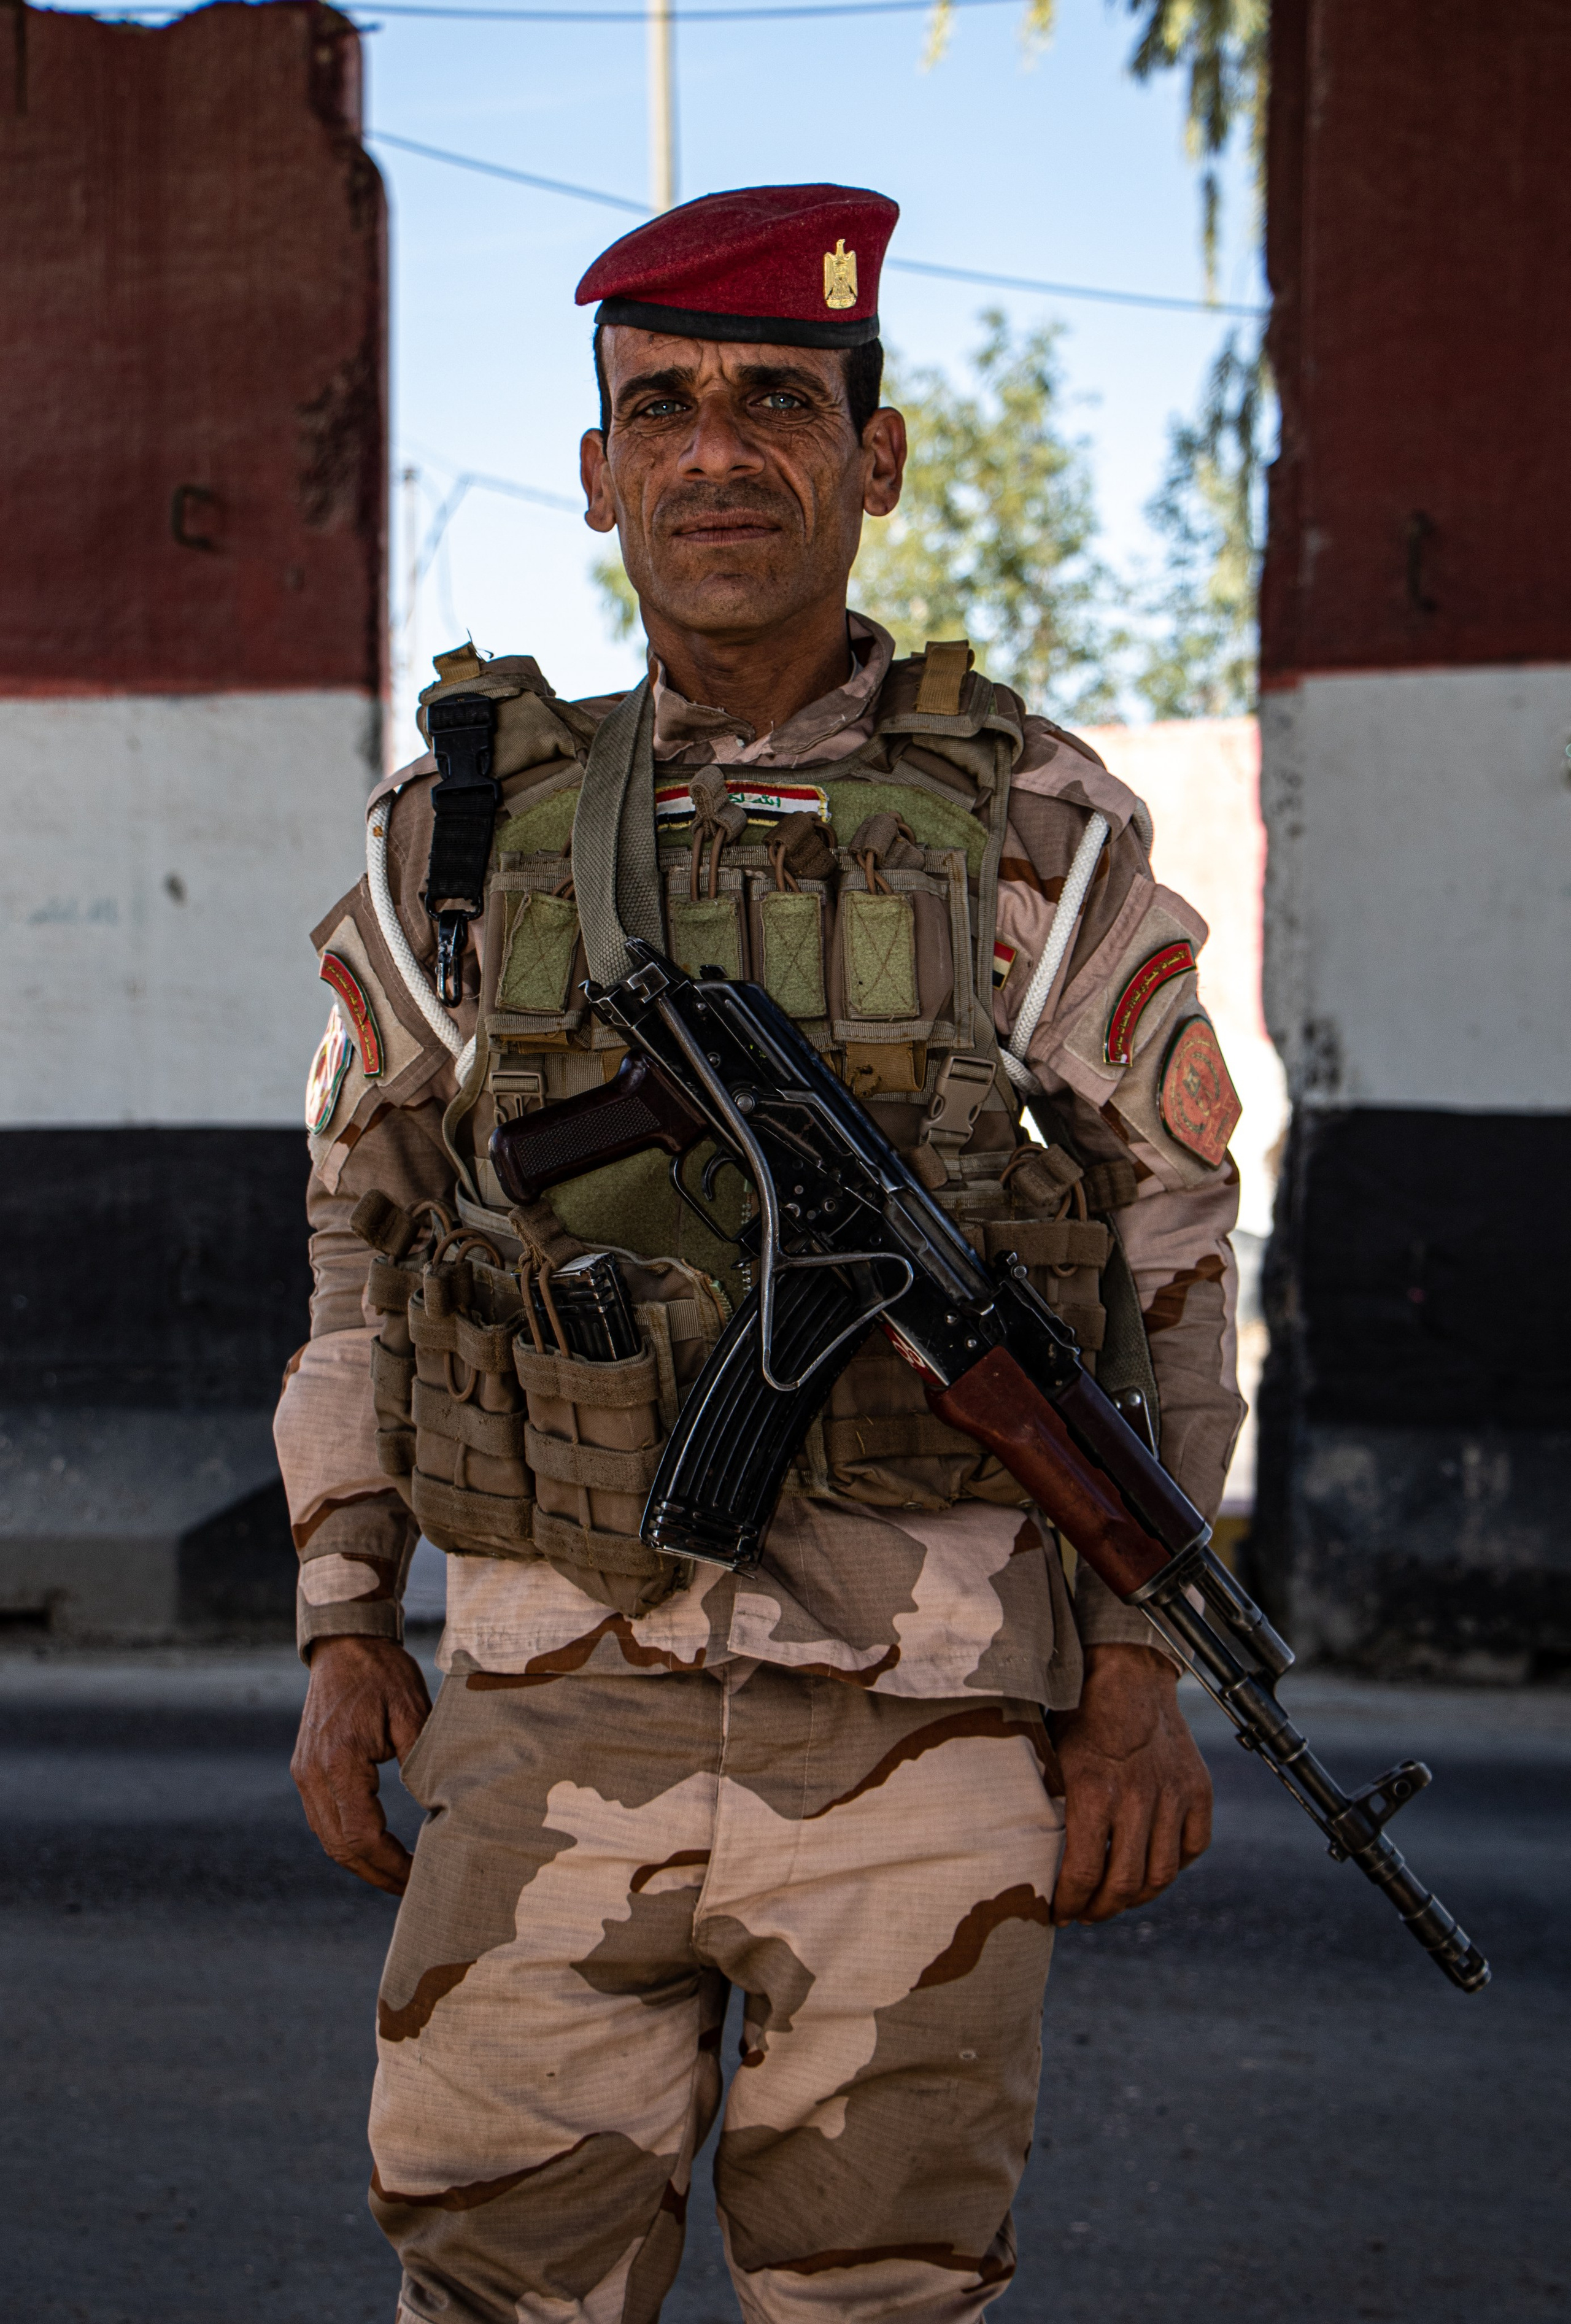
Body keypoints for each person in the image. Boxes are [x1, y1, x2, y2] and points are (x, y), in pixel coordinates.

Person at [280, 181, 1245, 2324]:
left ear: (873, 458)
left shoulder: (1031, 831)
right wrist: (346, 1621)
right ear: (604, 463)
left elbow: (1170, 1246)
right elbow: (362, 1231)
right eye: (668, 405)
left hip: (922, 1748)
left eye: (781, 401)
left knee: (888, 2297)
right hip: (539, 1713)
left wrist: (1146, 1676)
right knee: (496, 2287)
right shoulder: (461, 839)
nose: (721, 450)